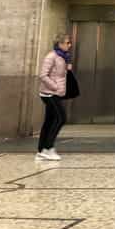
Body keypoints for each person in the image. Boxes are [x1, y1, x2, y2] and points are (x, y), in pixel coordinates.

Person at [37, 33, 72, 161]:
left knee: (49, 121)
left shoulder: (63, 57)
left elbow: (59, 75)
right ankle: (48, 147)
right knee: (61, 118)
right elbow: (43, 75)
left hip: (55, 93)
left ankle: (41, 151)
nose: (69, 45)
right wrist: (55, 87)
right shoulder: (51, 56)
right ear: (60, 44)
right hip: (49, 93)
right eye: (67, 43)